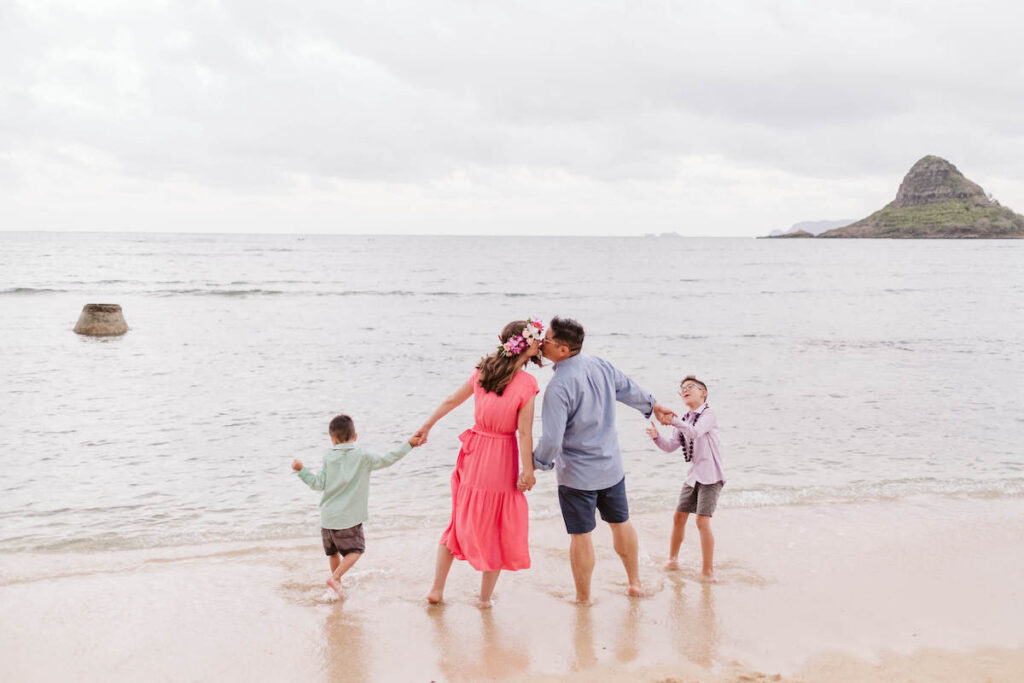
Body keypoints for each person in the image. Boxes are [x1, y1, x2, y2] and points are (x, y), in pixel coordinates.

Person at [530, 316, 675, 603]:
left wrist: (536, 464)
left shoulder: (558, 386)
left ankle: (583, 597)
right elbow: (628, 388)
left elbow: (552, 441)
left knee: (581, 535)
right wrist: (653, 405)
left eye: (545, 339)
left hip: (577, 476)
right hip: (611, 467)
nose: (540, 343)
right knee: (621, 523)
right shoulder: (600, 365)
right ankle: (634, 582)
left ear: (562, 349)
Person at [416, 318, 545, 607]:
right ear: (525, 344)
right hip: (501, 456)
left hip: (474, 453)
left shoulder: (483, 370)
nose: (541, 343)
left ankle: (437, 589)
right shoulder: (527, 383)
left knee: (458, 521)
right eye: (537, 338)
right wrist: (528, 471)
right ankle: (484, 600)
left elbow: (451, 400)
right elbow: (524, 433)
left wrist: (427, 426)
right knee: (498, 526)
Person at [292, 414, 422, 598]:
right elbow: (388, 459)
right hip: (348, 518)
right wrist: (408, 444)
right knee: (356, 550)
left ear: (333, 439)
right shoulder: (362, 456)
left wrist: (301, 470)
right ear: (356, 436)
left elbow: (317, 484)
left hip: (328, 518)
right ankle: (336, 578)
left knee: (333, 552)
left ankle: (336, 588)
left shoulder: (328, 457)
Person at [646, 375, 724, 581]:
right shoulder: (685, 419)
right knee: (678, 517)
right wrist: (656, 436)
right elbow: (671, 446)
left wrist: (673, 420)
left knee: (701, 521)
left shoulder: (709, 414)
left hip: (711, 476)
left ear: (703, 393)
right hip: (693, 477)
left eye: (691, 387)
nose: (685, 390)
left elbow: (696, 432)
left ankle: (708, 571)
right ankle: (672, 560)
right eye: (682, 389)